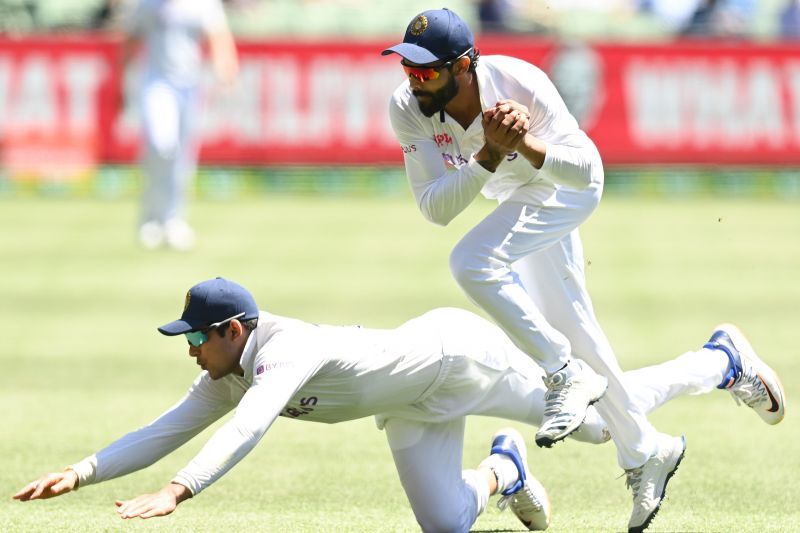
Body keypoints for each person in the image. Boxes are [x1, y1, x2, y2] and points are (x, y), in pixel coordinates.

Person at [379, 8, 771, 531]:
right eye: (408, 69)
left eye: (427, 72)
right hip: (512, 192)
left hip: (565, 191)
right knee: (579, 336)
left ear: (466, 66)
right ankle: (694, 393)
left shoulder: (521, 81)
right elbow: (436, 208)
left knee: (472, 262)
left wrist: (523, 145)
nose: (414, 81)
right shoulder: (408, 106)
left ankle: (563, 372)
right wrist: (490, 158)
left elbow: (587, 168)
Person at [14, 278, 784, 532]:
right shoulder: (227, 371)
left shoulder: (283, 351)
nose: (189, 349)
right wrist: (81, 471)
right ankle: (503, 470)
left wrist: (182, 489)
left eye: (195, 338)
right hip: (413, 403)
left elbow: (250, 427)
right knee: (447, 522)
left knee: (594, 422)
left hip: (459, 360)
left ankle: (721, 359)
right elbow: (161, 429)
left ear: (234, 329)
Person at [121, 0, 239, 251]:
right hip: (156, 83)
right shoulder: (147, 4)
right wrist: (120, 75)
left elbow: (218, 37)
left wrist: (225, 70)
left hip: (190, 86)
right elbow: (131, 38)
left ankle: (173, 219)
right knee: (160, 145)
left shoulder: (202, 4)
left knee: (183, 157)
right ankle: (151, 216)